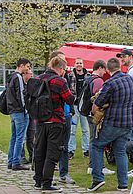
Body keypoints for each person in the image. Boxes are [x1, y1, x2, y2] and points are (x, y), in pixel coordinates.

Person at [88, 58, 133, 192]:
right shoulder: (131, 80)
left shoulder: (110, 83)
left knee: (96, 146)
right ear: (119, 67)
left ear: (108, 70)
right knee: (120, 151)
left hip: (113, 122)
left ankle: (98, 179)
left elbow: (96, 105)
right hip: (128, 123)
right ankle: (123, 185)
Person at [33, 56, 75, 192]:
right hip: (55, 121)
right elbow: (69, 99)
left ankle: (38, 181)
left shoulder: (38, 79)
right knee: (52, 154)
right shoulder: (60, 81)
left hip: (40, 121)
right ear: (61, 69)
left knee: (40, 152)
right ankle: (47, 183)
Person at [48, 51, 76, 185]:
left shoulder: (67, 77)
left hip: (65, 114)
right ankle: (47, 175)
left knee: (64, 146)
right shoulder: (52, 78)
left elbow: (70, 95)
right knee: (51, 146)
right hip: (54, 116)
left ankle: (63, 174)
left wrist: (70, 111)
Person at [85, 60, 115, 176]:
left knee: (93, 140)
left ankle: (92, 165)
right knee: (97, 141)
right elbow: (98, 99)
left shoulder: (89, 78)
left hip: (88, 113)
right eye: (104, 69)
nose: (105, 72)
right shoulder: (98, 81)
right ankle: (98, 166)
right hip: (95, 114)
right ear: (100, 68)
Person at [116, 49, 133, 177]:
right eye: (121, 58)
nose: (122, 60)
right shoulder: (131, 71)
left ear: (131, 57)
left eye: (124, 57)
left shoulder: (132, 72)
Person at [7, 58, 31, 171]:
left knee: (14, 136)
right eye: (27, 66)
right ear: (21, 65)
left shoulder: (11, 77)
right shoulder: (18, 77)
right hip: (19, 111)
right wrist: (25, 109)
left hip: (12, 110)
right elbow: (21, 95)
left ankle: (11, 160)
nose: (27, 69)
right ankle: (16, 162)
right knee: (20, 137)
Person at [68, 57, 90, 159]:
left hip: (84, 106)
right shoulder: (70, 76)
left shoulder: (88, 76)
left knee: (85, 129)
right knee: (72, 130)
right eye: (77, 63)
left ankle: (86, 150)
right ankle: (70, 150)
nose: (79, 65)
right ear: (74, 64)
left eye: (80, 63)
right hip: (74, 105)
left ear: (83, 64)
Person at [21, 69, 34, 164]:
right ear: (25, 74)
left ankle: (32, 155)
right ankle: (21, 156)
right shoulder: (21, 85)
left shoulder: (32, 85)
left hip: (32, 113)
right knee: (22, 136)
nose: (32, 75)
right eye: (30, 74)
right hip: (23, 113)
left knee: (31, 135)